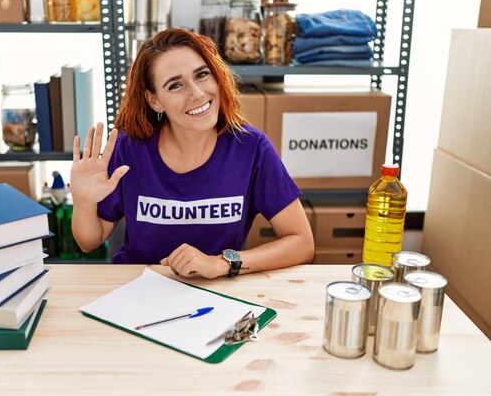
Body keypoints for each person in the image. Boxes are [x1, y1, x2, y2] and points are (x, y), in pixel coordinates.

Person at [70, 28, 314, 278]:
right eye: (175, 85)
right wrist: (83, 202)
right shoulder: (128, 149)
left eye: (202, 75)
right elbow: (89, 241)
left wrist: (222, 263)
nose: (197, 93)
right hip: (137, 288)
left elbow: (302, 243)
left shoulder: (251, 148)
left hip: (218, 291)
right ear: (154, 100)